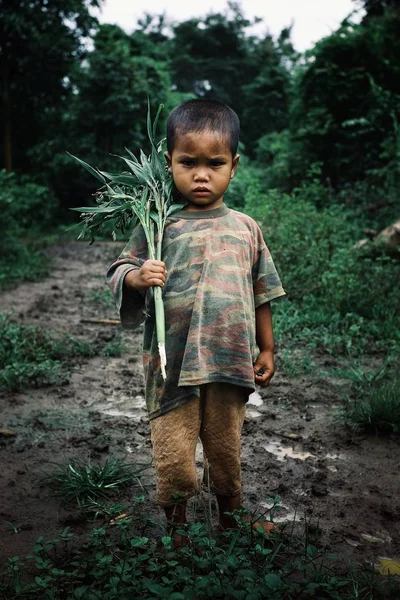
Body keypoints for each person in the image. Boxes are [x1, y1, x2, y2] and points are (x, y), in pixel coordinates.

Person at [106, 99, 286, 544]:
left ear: (234, 166)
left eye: (215, 163)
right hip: (173, 368)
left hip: (229, 362)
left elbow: (262, 293)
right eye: (188, 162)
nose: (201, 174)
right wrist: (136, 275)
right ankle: (177, 526)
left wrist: (267, 348)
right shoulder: (158, 225)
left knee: (226, 449)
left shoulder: (246, 228)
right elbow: (118, 268)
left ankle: (230, 517)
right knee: (174, 451)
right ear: (168, 164)